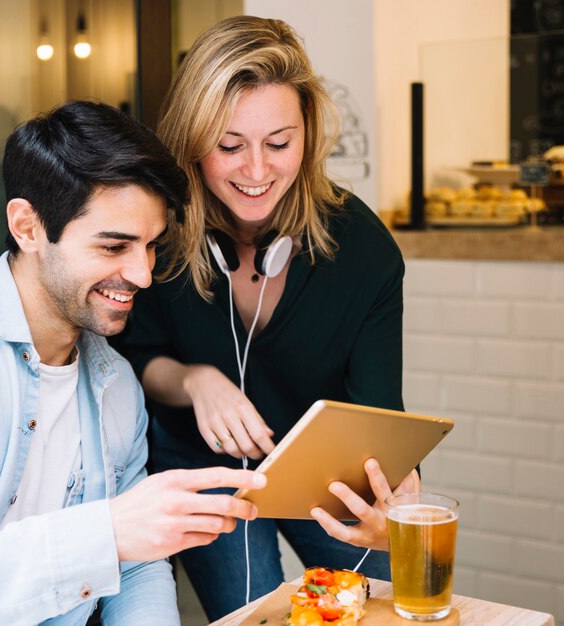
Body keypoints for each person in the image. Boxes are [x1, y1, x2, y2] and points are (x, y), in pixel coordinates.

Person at [122, 16, 419, 621]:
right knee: (253, 612)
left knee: (377, 607)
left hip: (324, 476)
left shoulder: (364, 251)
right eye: (229, 146)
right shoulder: (158, 231)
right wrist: (195, 380)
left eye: (279, 144)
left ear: (308, 137)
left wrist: (398, 497)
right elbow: (136, 358)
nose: (257, 172)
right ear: (191, 139)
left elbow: (380, 413)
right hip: (204, 470)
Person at [0, 100, 267, 626]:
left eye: (151, 247)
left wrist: (121, 541)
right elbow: (117, 539)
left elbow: (137, 567)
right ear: (27, 227)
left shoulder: (119, 387)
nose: (142, 275)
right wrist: (105, 535)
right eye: (114, 246)